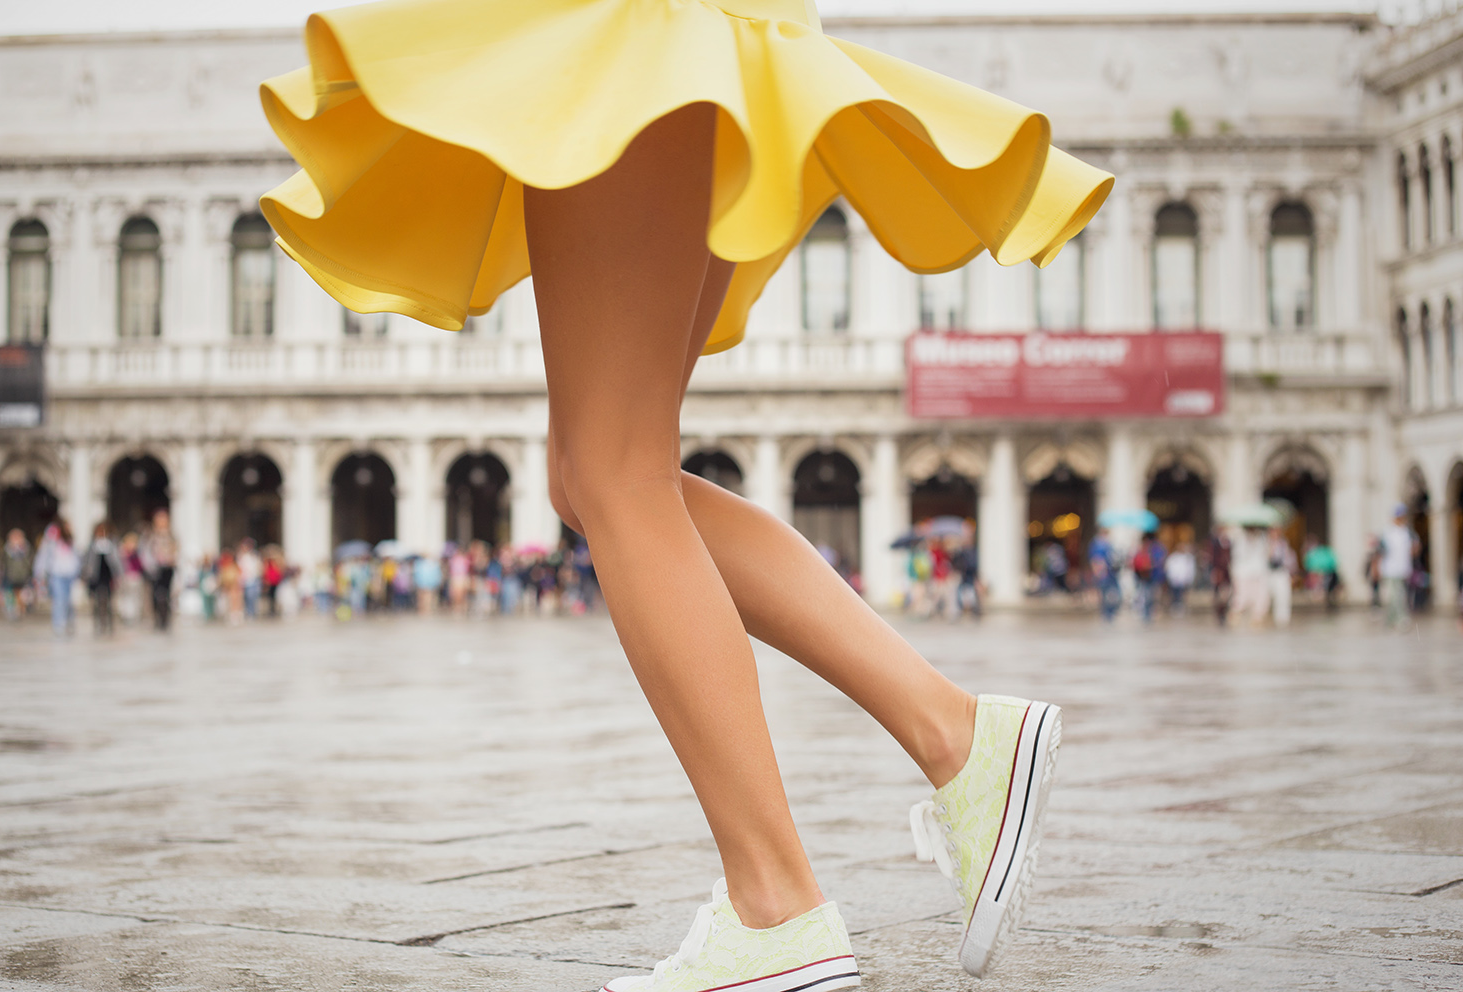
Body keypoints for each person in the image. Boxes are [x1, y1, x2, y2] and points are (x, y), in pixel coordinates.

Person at [257, 3, 1107, 985]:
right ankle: (953, 734)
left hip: (627, 31)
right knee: (600, 472)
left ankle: (778, 902)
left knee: (611, 470)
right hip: (683, 29)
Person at [33, 519, 79, 637]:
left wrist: (78, 571)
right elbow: (43, 555)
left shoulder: (69, 541)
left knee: (68, 600)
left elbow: (76, 557)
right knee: (59, 600)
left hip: (69, 574)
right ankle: (59, 624)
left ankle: (69, 622)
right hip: (56, 573)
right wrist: (40, 572)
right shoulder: (51, 540)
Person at [81, 522, 123, 635]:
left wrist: (119, 575)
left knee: (108, 601)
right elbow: (86, 561)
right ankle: (98, 623)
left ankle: (109, 624)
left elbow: (117, 562)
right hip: (95, 576)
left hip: (107, 576)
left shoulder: (111, 544)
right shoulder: (92, 545)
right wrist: (85, 575)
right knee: (96, 602)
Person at [141, 509, 179, 630]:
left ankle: (165, 618)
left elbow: (176, 550)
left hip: (168, 568)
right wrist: (150, 565)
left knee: (166, 594)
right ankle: (157, 618)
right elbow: (145, 552)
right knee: (157, 594)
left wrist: (173, 559)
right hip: (155, 569)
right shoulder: (150, 535)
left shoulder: (171, 535)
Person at [1379, 504, 1415, 629]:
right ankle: (1401, 618)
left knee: (1397, 594)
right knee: (1396, 594)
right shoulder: (1387, 532)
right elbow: (1381, 551)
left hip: (1404, 568)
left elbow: (1415, 547)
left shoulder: (1408, 532)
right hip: (1390, 569)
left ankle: (1390, 620)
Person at [1265, 526, 1297, 627]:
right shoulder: (1266, 543)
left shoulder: (1284, 544)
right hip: (1269, 572)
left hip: (1281, 572)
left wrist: (1292, 573)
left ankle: (1282, 619)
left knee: (1283, 596)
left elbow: (1289, 559)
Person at [0, 528, 32, 621]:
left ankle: (21, 610)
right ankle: (12, 611)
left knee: (22, 595)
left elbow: (29, 562)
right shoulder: (7, 549)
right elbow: (3, 563)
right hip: (10, 575)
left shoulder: (26, 549)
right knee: (10, 594)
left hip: (22, 576)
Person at [1087, 530, 1121, 621]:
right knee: (1106, 594)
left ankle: (1109, 613)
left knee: (1110, 593)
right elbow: (1096, 560)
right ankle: (1107, 613)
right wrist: (1099, 572)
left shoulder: (1106, 544)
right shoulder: (1099, 545)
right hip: (1104, 574)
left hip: (1110, 573)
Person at [1302, 535, 1340, 611]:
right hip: (1323, 573)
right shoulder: (1324, 552)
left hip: (1323, 573)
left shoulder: (1314, 553)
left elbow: (1308, 563)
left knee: (1323, 588)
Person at [1209, 530, 1233, 626]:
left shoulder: (1230, 545)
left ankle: (1224, 612)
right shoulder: (1215, 544)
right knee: (1218, 594)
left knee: (1226, 594)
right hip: (1219, 573)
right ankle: (1219, 613)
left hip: (1226, 574)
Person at [1165, 540, 1195, 615]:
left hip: (1184, 580)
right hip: (1174, 580)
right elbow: (1169, 568)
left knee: (1182, 595)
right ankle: (1175, 608)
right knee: (1175, 595)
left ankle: (1181, 608)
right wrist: (1171, 577)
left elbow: (1190, 569)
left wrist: (1189, 578)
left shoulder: (1188, 558)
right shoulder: (1173, 557)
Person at [236, 538, 262, 619]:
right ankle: (249, 612)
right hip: (245, 580)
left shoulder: (255, 556)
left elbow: (258, 566)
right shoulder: (241, 556)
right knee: (247, 597)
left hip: (253, 579)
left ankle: (252, 612)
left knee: (253, 596)